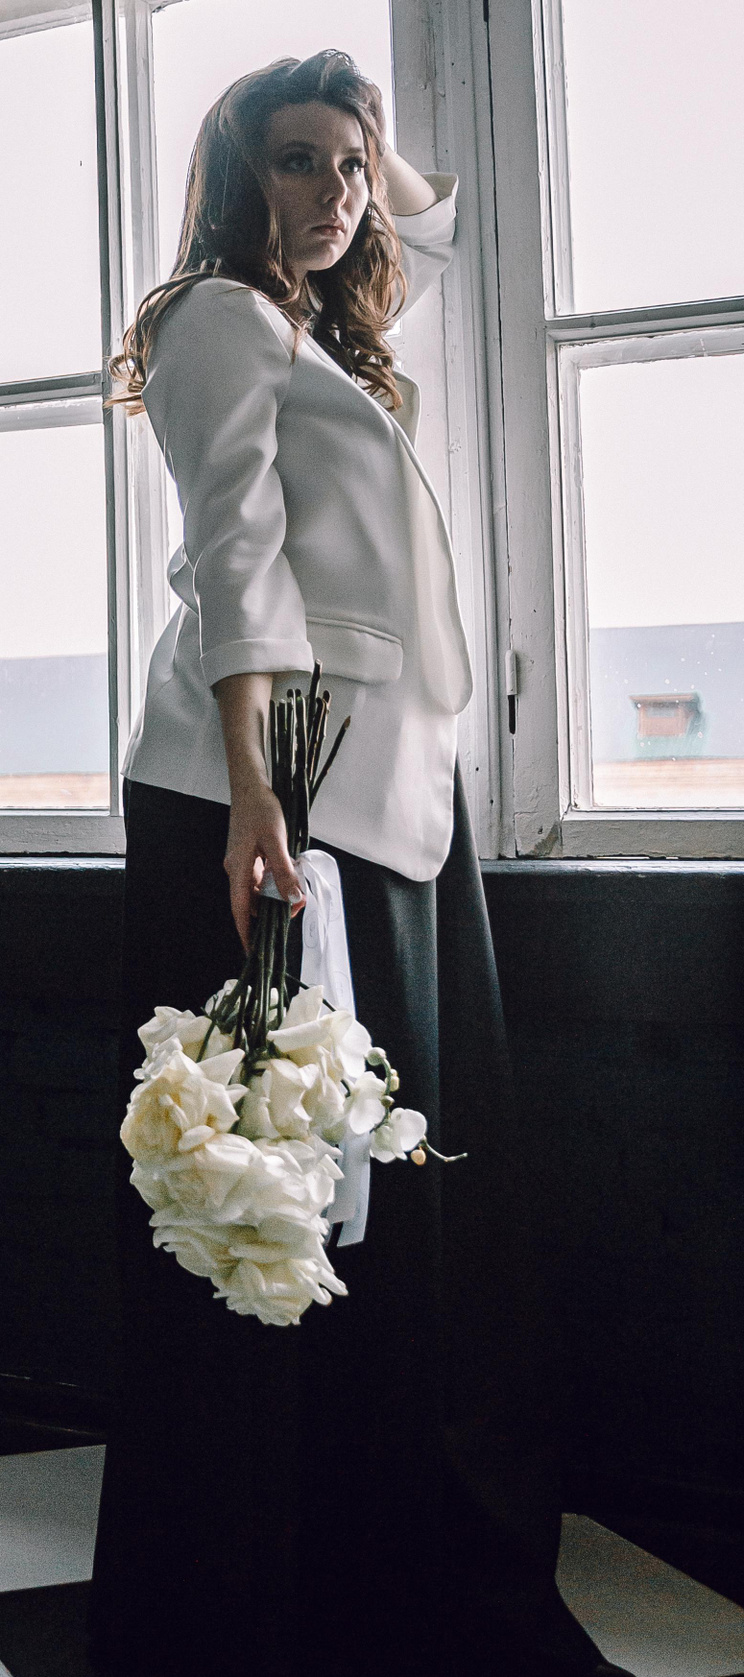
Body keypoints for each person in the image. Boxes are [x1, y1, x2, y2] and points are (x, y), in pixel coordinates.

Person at [89, 52, 627, 1677]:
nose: (334, 194)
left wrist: (370, 150)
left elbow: (431, 241)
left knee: (377, 1192)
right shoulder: (216, 320)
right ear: (234, 175)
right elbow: (235, 561)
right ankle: (245, 1591)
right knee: (273, 1188)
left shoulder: (322, 329)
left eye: (348, 165)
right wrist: (259, 799)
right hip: (272, 798)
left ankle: (365, 1560)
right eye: (297, 162)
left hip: (386, 801)